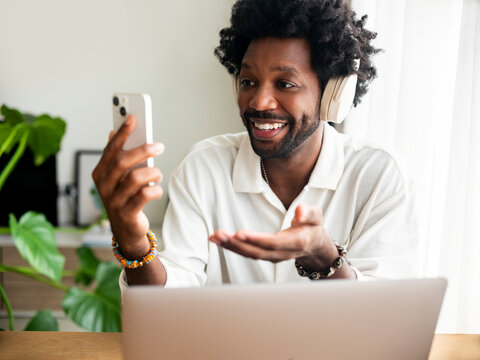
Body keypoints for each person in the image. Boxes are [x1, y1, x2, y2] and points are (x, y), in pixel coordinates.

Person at [92, 0, 418, 289]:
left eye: (285, 83)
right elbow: (168, 303)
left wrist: (325, 257)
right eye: (248, 81)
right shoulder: (202, 168)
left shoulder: (379, 176)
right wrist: (135, 246)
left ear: (334, 95)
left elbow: (382, 317)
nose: (259, 102)